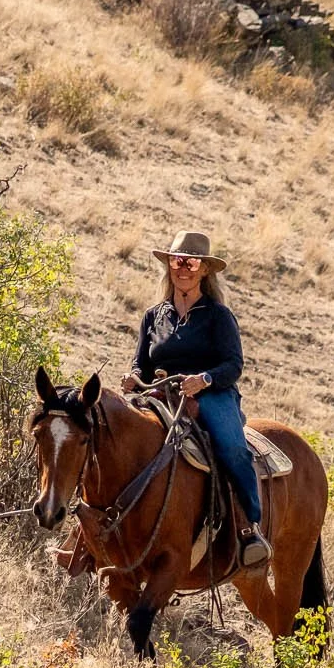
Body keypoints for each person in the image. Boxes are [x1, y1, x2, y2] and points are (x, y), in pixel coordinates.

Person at [124, 231, 271, 568]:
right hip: (159, 394)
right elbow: (140, 362)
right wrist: (133, 377)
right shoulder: (153, 316)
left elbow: (233, 365)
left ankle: (250, 527)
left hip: (211, 394)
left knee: (232, 448)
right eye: (177, 261)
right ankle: (90, 537)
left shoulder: (218, 316)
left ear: (205, 270)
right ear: (169, 266)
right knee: (114, 436)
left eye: (191, 262)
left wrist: (204, 379)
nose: (183, 268)